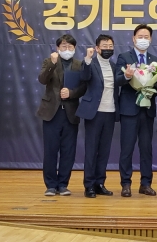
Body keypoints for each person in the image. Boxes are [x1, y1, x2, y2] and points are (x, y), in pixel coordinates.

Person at [37, 34, 86, 196]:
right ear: (58, 48)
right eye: (64, 46)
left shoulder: (79, 65)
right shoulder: (49, 61)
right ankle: (51, 185)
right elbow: (42, 79)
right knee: (50, 150)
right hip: (52, 113)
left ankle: (63, 184)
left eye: (70, 47)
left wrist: (72, 93)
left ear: (74, 48)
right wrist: (52, 63)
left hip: (71, 113)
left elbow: (84, 87)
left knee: (68, 151)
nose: (67, 49)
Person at [115, 24, 157, 197]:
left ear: (151, 39)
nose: (143, 40)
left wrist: (149, 89)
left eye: (146, 37)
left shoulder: (155, 60)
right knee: (127, 148)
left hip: (147, 110)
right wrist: (127, 76)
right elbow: (117, 80)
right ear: (133, 39)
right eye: (140, 37)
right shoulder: (124, 57)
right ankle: (126, 183)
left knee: (146, 148)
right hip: (129, 109)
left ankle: (146, 183)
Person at [77, 35, 118, 198]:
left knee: (104, 150)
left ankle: (100, 183)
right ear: (97, 48)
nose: (108, 49)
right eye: (104, 46)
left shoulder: (114, 66)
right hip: (94, 112)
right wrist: (87, 59)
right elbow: (84, 77)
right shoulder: (90, 63)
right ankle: (89, 185)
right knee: (91, 149)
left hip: (110, 111)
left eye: (110, 46)